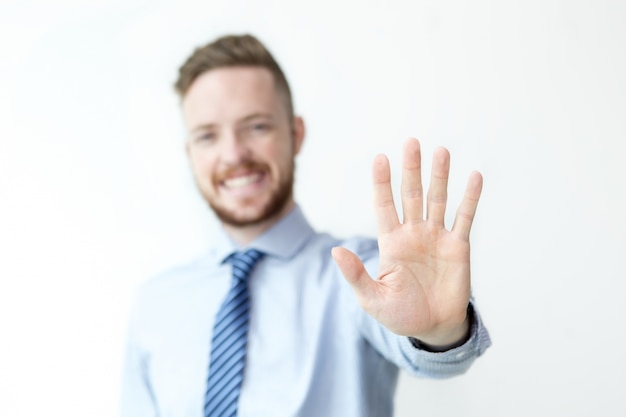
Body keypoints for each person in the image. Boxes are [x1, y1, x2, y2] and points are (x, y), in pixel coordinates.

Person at [120, 34, 491, 417]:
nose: (233, 153)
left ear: (295, 134)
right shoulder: (154, 304)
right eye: (207, 136)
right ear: (190, 152)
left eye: (256, 126)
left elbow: (427, 346)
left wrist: (440, 333)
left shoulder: (366, 275)